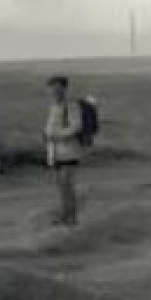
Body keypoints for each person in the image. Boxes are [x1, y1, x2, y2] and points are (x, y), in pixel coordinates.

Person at [43, 75, 84, 226]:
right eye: (51, 88)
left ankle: (72, 218)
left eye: (57, 88)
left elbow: (76, 127)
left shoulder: (71, 106)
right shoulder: (54, 107)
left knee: (67, 186)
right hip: (56, 154)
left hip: (70, 152)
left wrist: (56, 135)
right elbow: (51, 128)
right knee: (62, 187)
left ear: (64, 89)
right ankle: (65, 216)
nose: (54, 92)